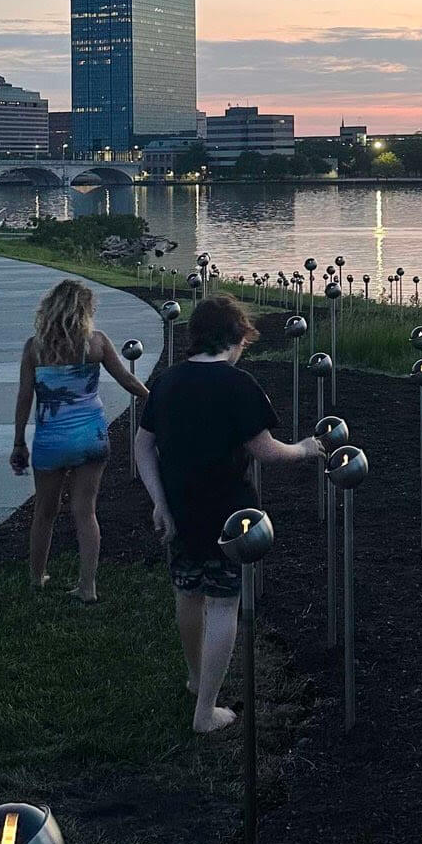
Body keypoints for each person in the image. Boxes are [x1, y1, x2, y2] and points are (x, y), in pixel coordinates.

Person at [135, 292, 321, 733]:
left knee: (187, 593)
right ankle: (206, 712)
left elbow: (143, 445)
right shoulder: (239, 386)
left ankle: (197, 679)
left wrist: (159, 501)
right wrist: (305, 449)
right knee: (223, 604)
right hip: (228, 515)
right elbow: (266, 451)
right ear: (236, 337)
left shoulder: (167, 381)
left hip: (179, 509)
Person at [10, 278, 150, 603]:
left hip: (51, 440)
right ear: (83, 312)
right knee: (85, 512)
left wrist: (19, 441)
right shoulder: (96, 343)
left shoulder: (35, 348)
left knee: (44, 512)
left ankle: (37, 579)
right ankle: (88, 586)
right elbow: (127, 379)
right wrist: (154, 398)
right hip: (91, 437)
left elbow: (24, 397)